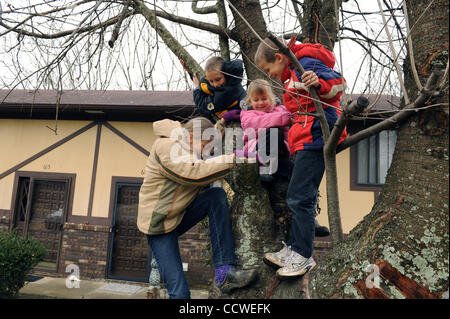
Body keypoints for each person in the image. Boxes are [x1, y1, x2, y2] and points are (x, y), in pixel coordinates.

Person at [255, 37, 347, 278]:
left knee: (300, 198)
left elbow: (339, 85)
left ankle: (303, 256)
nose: (271, 75)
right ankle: (295, 249)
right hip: (305, 138)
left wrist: (319, 83)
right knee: (296, 195)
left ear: (279, 57)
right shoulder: (293, 73)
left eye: (269, 70)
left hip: (316, 135)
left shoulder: (306, 63)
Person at [137, 117, 257, 298]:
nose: (207, 152)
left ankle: (224, 273)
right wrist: (234, 158)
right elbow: (193, 172)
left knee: (215, 196)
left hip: (177, 215)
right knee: (180, 292)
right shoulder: (166, 146)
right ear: (191, 138)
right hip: (159, 225)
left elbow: (202, 160)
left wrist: (219, 128)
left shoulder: (188, 147)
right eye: (205, 146)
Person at [238, 79, 291, 182]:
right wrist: (281, 119)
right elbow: (254, 125)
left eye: (264, 98)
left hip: (278, 153)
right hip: (257, 149)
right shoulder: (248, 113)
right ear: (250, 101)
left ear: (271, 98)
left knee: (293, 171)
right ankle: (264, 165)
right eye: (256, 100)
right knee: (274, 131)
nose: (260, 103)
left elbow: (289, 125)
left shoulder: (280, 109)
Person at [181, 57, 246, 119]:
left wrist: (197, 88)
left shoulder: (226, 93)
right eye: (211, 81)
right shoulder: (226, 80)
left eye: (218, 79)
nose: (215, 84)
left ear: (226, 74)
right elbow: (205, 81)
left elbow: (203, 105)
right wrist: (189, 71)